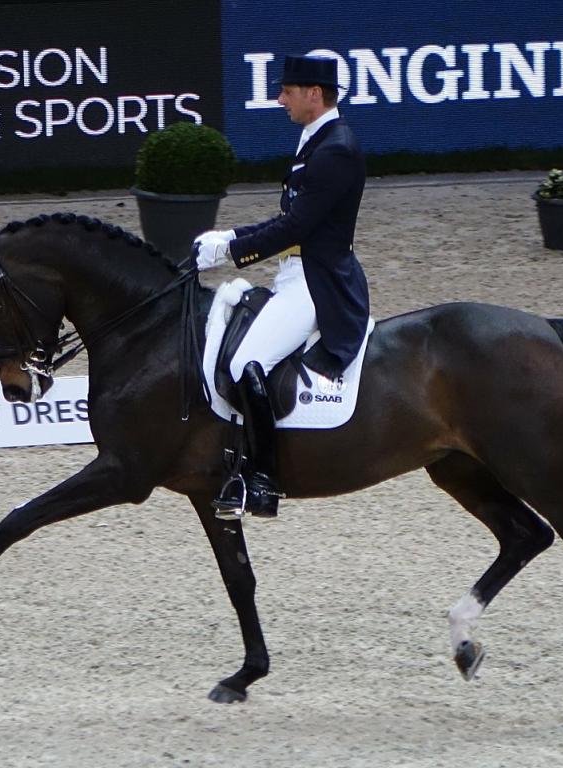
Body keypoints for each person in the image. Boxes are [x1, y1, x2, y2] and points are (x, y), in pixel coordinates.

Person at [194, 54, 369, 519]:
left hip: (317, 282)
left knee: (247, 361)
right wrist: (232, 237)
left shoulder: (336, 149)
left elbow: (297, 226)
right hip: (296, 273)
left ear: (314, 94)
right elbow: (290, 220)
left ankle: (263, 479)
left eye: (287, 92)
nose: (279, 100)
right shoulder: (316, 140)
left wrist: (232, 251)